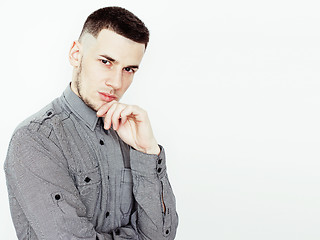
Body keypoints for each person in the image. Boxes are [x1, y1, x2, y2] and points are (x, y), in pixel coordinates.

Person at [4, 6, 178, 240]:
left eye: (128, 69)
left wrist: (148, 151)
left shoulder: (131, 135)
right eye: (106, 61)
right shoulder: (36, 140)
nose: (116, 82)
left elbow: (161, 235)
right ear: (76, 54)